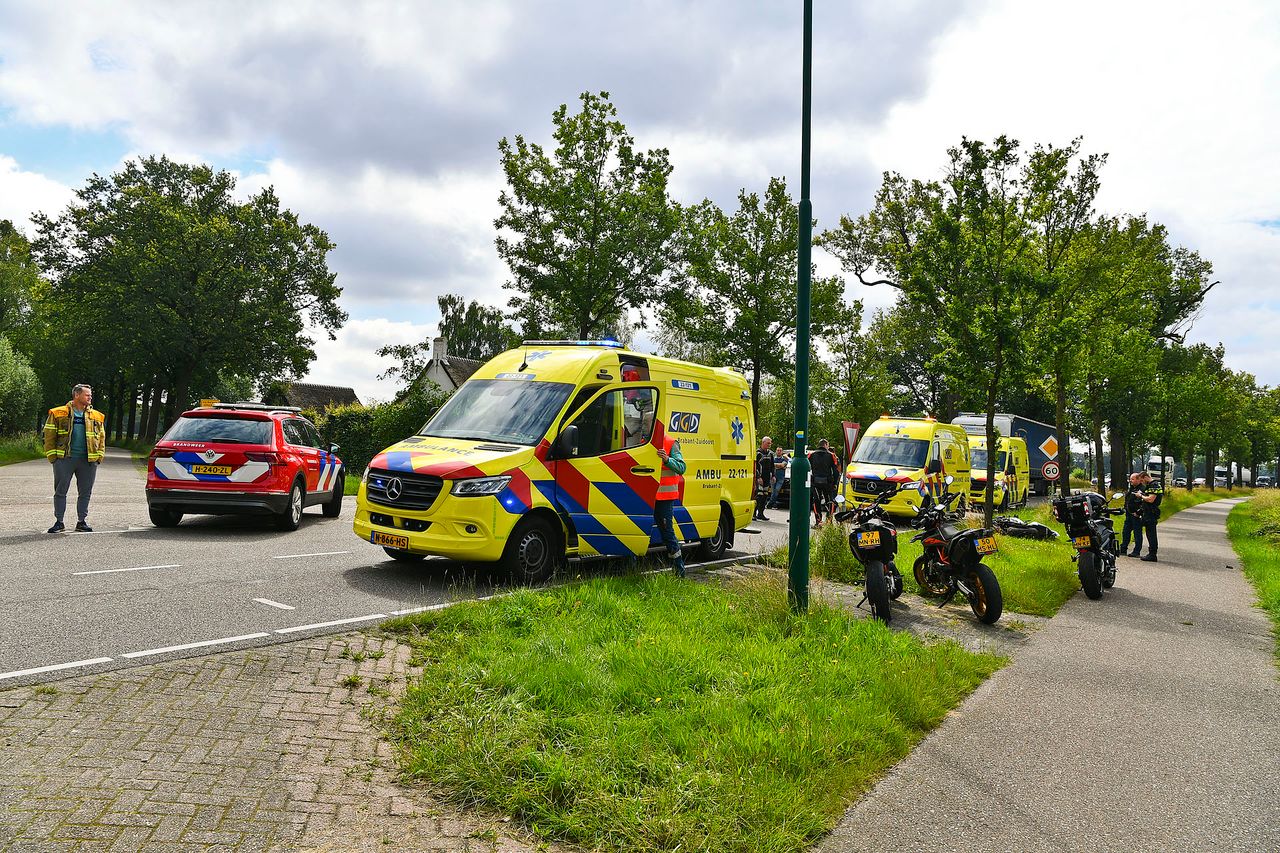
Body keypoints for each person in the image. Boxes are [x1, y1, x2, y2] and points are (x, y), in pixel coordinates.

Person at [44, 383, 106, 533]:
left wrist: (99, 456)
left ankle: (81, 522)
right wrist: (53, 457)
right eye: (87, 395)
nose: (90, 397)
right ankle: (59, 522)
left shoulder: (97, 416)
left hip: (88, 460)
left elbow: (102, 437)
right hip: (64, 459)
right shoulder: (58, 413)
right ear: (77, 395)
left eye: (90, 395)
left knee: (85, 492)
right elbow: (49, 436)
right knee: (60, 491)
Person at [655, 429, 688, 577]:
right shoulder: (642, 442)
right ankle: (633, 569)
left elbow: (682, 467)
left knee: (667, 533)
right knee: (638, 529)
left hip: (664, 497)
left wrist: (667, 459)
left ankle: (679, 571)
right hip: (645, 496)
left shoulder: (671, 443)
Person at [808, 439, 839, 527]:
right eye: (828, 445)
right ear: (825, 445)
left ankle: (818, 521)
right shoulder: (831, 455)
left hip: (815, 482)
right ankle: (829, 521)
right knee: (830, 501)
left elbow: (807, 468)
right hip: (828, 482)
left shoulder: (811, 455)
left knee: (816, 501)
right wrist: (835, 483)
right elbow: (836, 471)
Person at [1135, 471, 1163, 562]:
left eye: (1142, 480)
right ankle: (1151, 553)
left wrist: (1141, 496)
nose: (1142, 483)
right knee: (1149, 533)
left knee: (1151, 534)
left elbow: (1151, 499)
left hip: (1151, 513)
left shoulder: (1154, 485)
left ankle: (1152, 554)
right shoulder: (1151, 485)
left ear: (1145, 477)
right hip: (1148, 512)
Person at [1119, 472, 1145, 557]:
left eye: (1132, 479)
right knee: (1125, 532)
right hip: (1129, 514)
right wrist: (1125, 508)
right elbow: (1128, 499)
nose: (1130, 481)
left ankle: (1136, 551)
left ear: (1138, 479)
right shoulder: (1131, 488)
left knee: (1137, 533)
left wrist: (1138, 512)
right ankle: (1123, 549)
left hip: (1136, 515)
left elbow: (1144, 503)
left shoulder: (1142, 489)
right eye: (1130, 479)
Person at [754, 436, 774, 520]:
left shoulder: (770, 454)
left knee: (765, 495)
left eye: (770, 443)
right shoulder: (758, 453)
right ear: (763, 443)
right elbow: (755, 466)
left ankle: (761, 513)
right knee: (758, 495)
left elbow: (772, 466)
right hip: (759, 478)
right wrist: (758, 477)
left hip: (767, 478)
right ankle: (753, 513)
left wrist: (773, 475)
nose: (769, 445)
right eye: (768, 443)